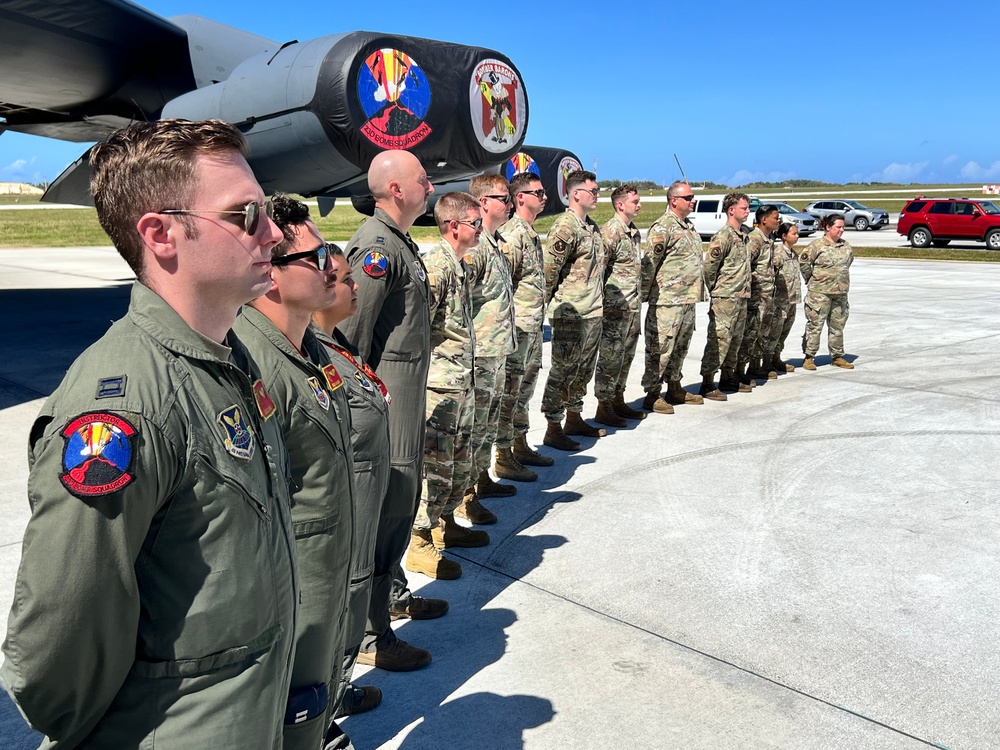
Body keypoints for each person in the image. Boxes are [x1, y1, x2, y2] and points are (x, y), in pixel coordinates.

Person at [1, 119, 297, 747]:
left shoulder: (229, 360)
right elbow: (55, 642)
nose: (272, 233)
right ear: (161, 235)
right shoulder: (126, 408)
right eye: (246, 215)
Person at [234, 195, 357, 750]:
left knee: (314, 703)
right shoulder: (255, 366)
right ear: (274, 277)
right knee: (290, 713)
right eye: (317, 256)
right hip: (294, 584)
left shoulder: (311, 349)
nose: (334, 265)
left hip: (325, 570)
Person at [339, 150, 442, 672]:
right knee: (389, 508)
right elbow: (348, 339)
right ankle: (371, 634)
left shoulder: (398, 243)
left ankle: (391, 598)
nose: (431, 187)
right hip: (386, 398)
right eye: (423, 180)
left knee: (401, 500)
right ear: (397, 189)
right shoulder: (376, 248)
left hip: (406, 393)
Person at [311, 242, 397, 719]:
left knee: (349, 606)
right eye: (345, 279)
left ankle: (336, 690)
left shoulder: (336, 346)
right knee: (335, 613)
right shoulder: (310, 356)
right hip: (339, 518)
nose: (353, 285)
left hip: (360, 510)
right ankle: (322, 716)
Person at [406, 192, 488, 580]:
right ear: (454, 226)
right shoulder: (436, 267)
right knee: (436, 468)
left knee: (459, 463)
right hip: (440, 388)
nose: (480, 228)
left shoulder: (459, 264)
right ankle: (420, 543)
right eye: (475, 222)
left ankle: (447, 523)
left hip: (461, 382)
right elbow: (416, 331)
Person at [460, 174, 520, 528]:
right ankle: (466, 499)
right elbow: (460, 303)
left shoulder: (493, 242)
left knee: (486, 427)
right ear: (483, 203)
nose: (509, 203)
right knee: (474, 429)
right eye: (502, 198)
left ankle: (480, 481)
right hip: (480, 355)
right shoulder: (476, 249)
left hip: (496, 353)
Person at [541, 170, 606, 450]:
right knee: (563, 371)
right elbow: (548, 272)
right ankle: (553, 427)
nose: (597, 195)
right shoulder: (565, 227)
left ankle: (574, 416)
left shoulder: (591, 226)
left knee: (582, 371)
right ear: (576, 194)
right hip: (571, 313)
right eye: (593, 191)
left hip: (592, 311)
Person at [494, 172, 554, 473]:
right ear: (520, 198)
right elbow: (505, 287)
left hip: (532, 330)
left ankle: (519, 445)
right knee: (510, 394)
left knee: (524, 392)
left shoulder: (529, 233)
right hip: (518, 331)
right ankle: (503, 456)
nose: (544, 197)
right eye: (538, 192)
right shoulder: (513, 237)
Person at [640, 181, 707, 415]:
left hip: (687, 299)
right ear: (674, 200)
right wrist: (644, 295)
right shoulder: (663, 227)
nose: (693, 201)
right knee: (661, 348)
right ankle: (652, 393)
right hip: (667, 300)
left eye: (692, 197)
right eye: (688, 197)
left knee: (680, 347)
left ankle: (674, 386)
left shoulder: (688, 226)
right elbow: (649, 265)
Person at [593, 184, 645, 427]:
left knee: (626, 357)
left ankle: (618, 399)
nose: (640, 205)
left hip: (632, 308)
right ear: (620, 204)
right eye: (635, 201)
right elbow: (599, 272)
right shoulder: (610, 233)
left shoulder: (632, 232)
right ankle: (604, 406)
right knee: (610, 359)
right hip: (614, 310)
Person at [700, 191, 753, 400]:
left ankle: (728, 376)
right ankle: (707, 382)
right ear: (731, 210)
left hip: (741, 296)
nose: (748, 211)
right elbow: (710, 267)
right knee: (719, 340)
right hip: (725, 298)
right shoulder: (724, 236)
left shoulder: (744, 236)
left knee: (735, 340)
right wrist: (717, 290)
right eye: (744, 208)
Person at [800, 213, 855, 370]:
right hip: (819, 294)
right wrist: (812, 279)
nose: (841, 230)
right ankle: (809, 357)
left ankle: (837, 356)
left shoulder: (846, 246)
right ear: (828, 227)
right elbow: (804, 263)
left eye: (843, 227)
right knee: (815, 325)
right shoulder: (816, 246)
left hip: (840, 294)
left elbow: (848, 263)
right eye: (838, 227)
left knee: (837, 326)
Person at [737, 204, 782, 384]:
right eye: (775, 217)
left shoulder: (768, 239)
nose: (779, 221)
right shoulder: (754, 239)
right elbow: (746, 267)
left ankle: (755, 367)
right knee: (749, 335)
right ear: (764, 220)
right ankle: (740, 370)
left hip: (766, 297)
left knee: (761, 334)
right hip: (755, 298)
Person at [771, 222, 801, 372]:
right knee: (774, 333)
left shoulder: (794, 254)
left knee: (784, 332)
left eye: (797, 233)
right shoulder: (778, 255)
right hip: (779, 302)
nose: (797, 236)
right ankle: (767, 361)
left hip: (792, 300)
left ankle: (776, 358)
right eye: (793, 233)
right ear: (784, 236)